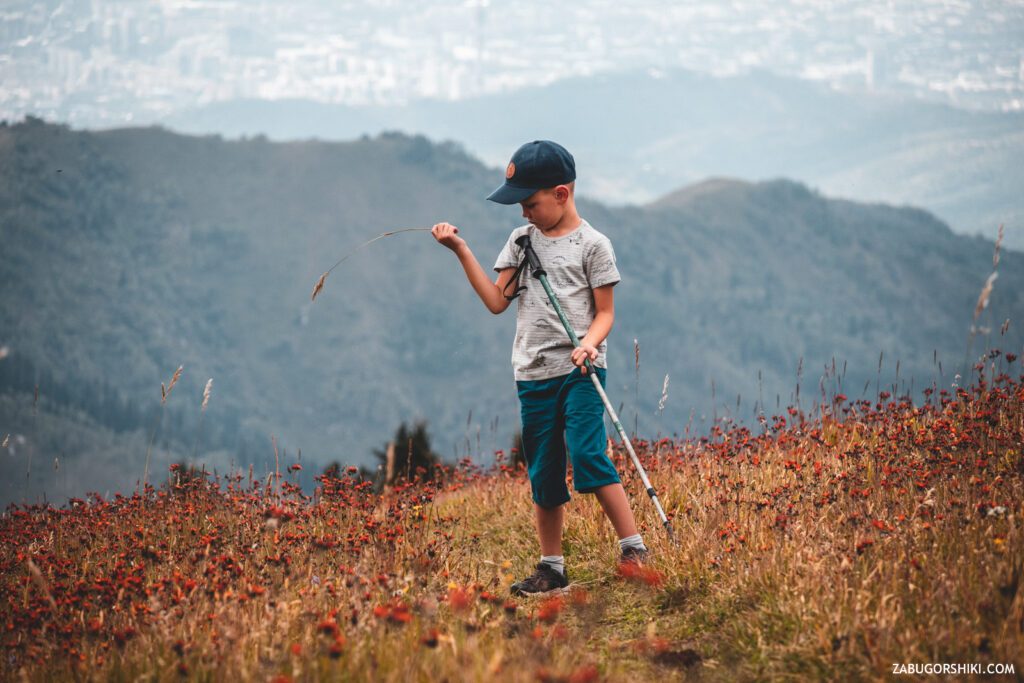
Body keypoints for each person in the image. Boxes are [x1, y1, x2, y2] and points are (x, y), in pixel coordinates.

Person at [431, 140, 648, 596]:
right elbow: (496, 301)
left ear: (562, 194)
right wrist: (461, 251)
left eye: (530, 203)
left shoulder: (594, 246)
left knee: (588, 455)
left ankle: (634, 549)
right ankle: (552, 569)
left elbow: (606, 313)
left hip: (581, 371)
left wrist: (588, 345)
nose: (524, 213)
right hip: (532, 374)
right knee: (544, 471)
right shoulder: (520, 242)